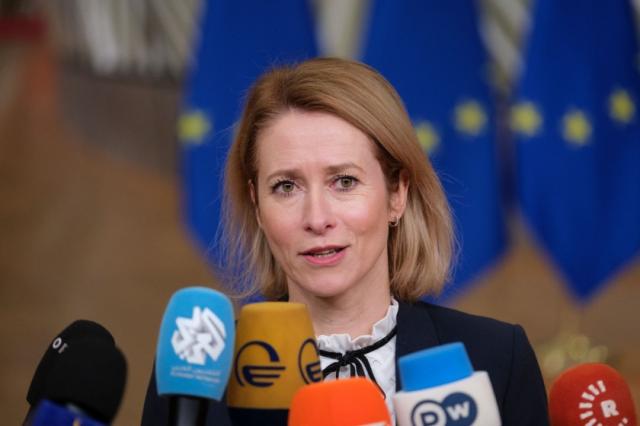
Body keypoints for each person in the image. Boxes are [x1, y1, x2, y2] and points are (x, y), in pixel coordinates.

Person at [142, 58, 549, 425]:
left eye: (344, 182)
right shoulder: (196, 375)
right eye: (286, 186)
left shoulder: (497, 360)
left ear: (397, 194)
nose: (317, 218)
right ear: (257, 206)